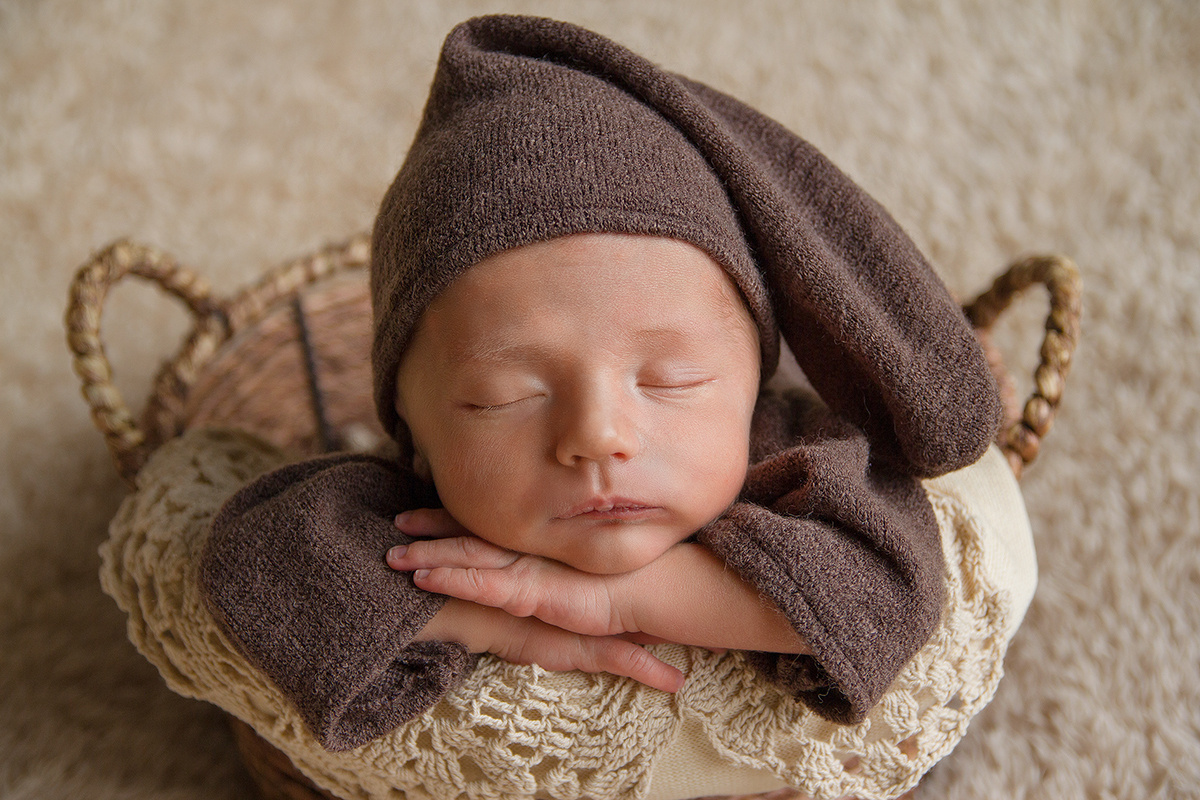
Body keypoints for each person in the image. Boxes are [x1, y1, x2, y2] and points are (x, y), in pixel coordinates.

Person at [199, 13, 1006, 758]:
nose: (597, 434)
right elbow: (254, 561)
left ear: (754, 381)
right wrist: (500, 614)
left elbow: (889, 586)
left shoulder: (789, 457)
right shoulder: (421, 511)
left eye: (672, 378)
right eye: (502, 396)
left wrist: (622, 601)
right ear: (410, 420)